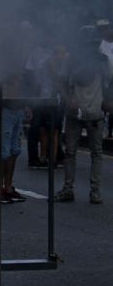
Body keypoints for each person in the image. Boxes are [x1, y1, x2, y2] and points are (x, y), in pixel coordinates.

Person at [54, 37, 107, 204]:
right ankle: (70, 189)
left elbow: (110, 84)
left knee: (94, 153)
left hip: (95, 111)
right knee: (72, 152)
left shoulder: (103, 61)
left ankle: (94, 191)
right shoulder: (71, 60)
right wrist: (69, 99)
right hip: (75, 112)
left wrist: (108, 101)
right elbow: (61, 82)